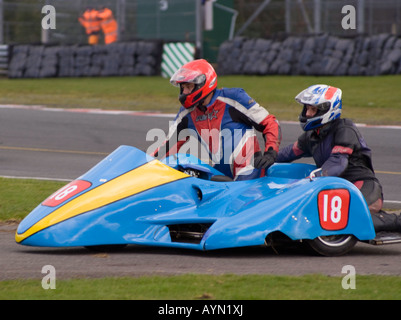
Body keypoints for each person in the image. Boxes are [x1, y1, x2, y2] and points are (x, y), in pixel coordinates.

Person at [276, 84, 401, 232]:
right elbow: (287, 153)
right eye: (307, 109)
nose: (308, 114)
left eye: (313, 109)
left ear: (327, 109)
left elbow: (337, 163)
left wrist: (315, 177)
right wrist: (265, 158)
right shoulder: (311, 135)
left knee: (352, 220)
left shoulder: (345, 129)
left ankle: (397, 221)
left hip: (362, 187)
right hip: (337, 187)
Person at [151, 59, 281, 181]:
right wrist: (146, 165)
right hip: (220, 175)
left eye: (189, 87)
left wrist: (270, 152)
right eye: (183, 88)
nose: (184, 92)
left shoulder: (234, 98)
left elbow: (270, 123)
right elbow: (166, 147)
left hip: (250, 174)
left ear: (203, 83)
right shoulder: (186, 114)